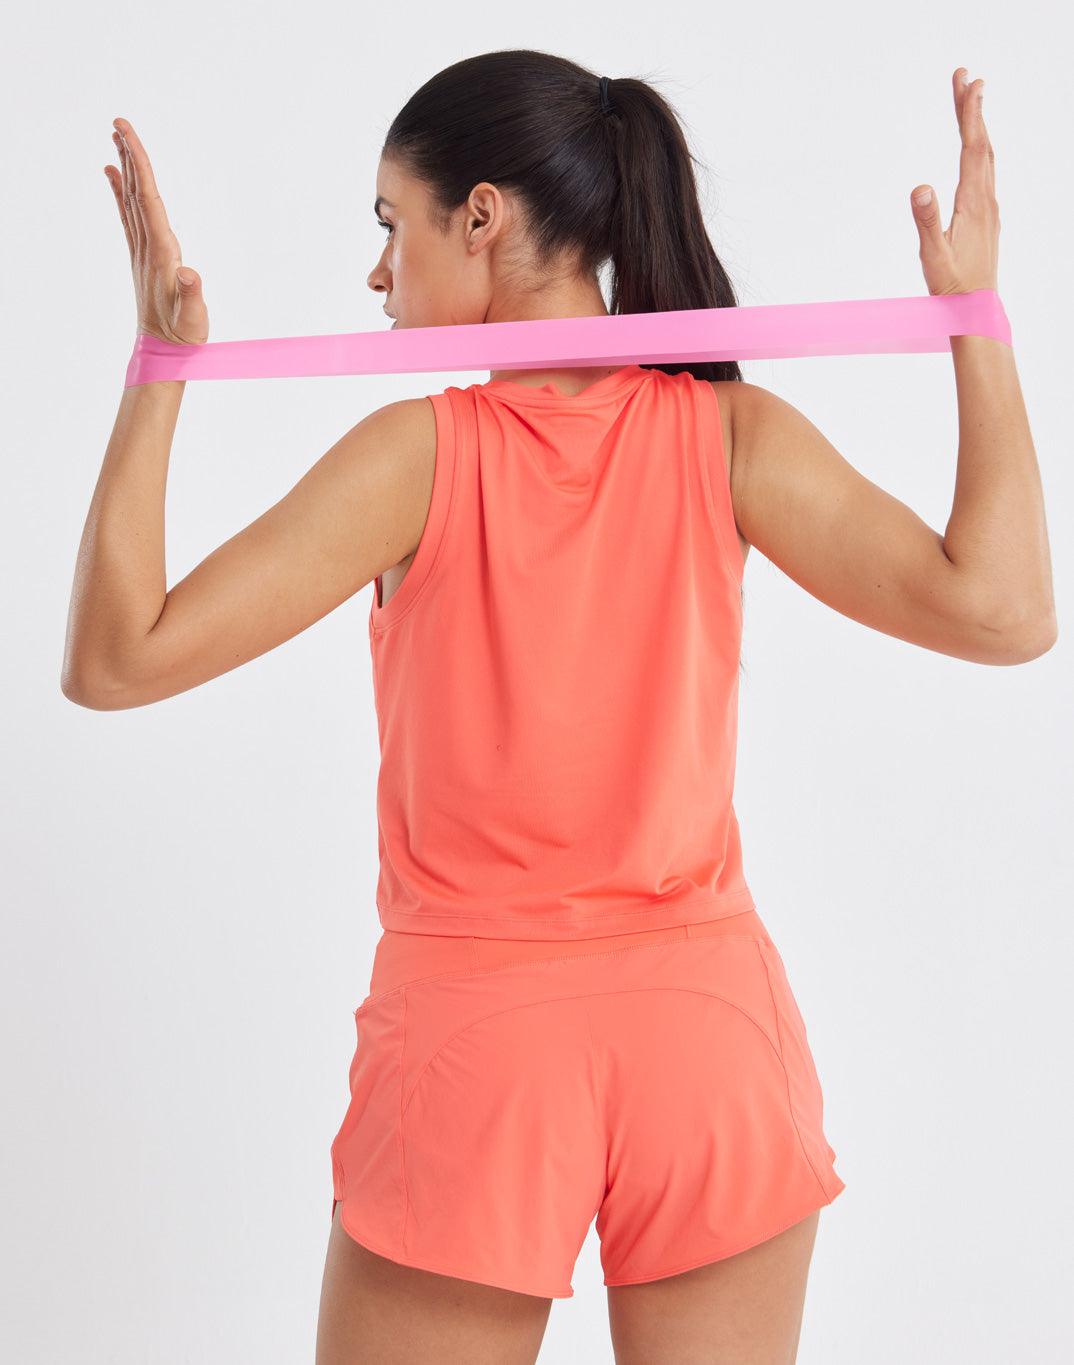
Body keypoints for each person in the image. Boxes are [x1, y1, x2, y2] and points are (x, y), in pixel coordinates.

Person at [65, 51, 1054, 1365]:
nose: (375, 273)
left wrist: (157, 374)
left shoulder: (410, 457)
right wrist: (973, 323)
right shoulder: (726, 435)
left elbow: (116, 658)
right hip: (705, 1044)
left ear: (481, 217)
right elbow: (1002, 610)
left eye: (388, 223)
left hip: (476, 1049)